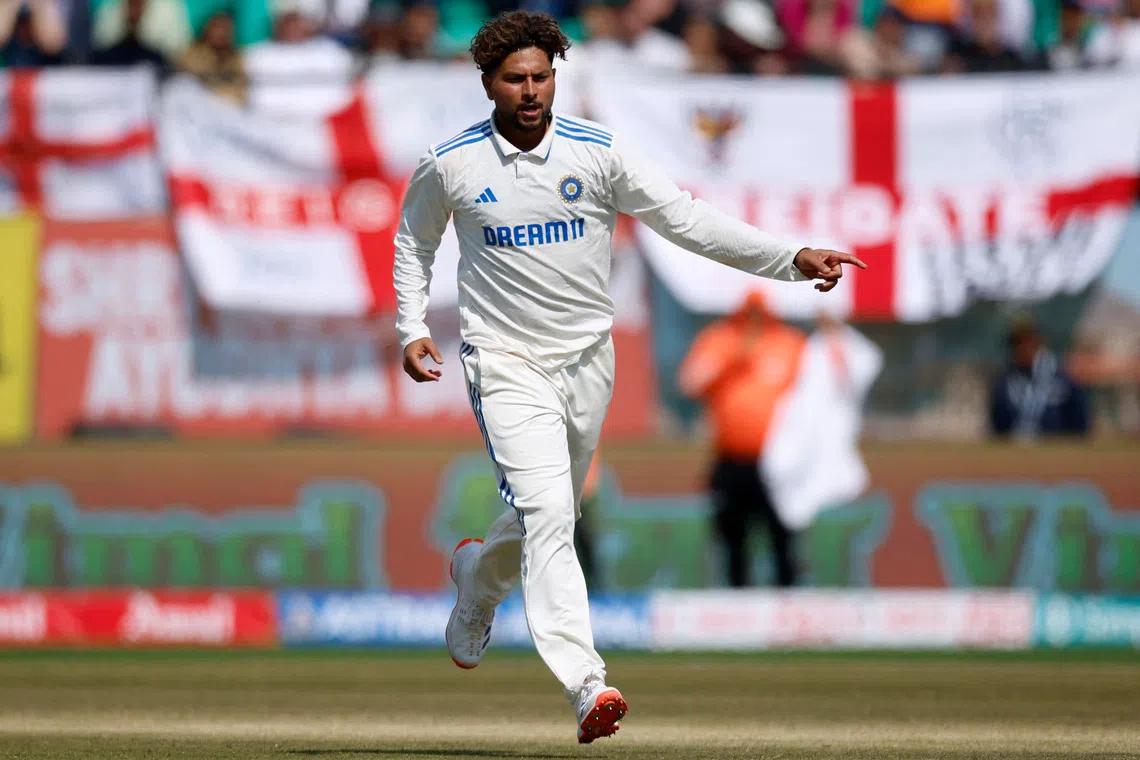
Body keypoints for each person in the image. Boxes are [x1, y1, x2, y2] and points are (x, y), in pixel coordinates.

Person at [392, 10, 864, 744]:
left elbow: (686, 218)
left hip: (587, 360)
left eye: (541, 76)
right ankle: (587, 684)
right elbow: (413, 242)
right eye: (514, 79)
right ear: (487, 82)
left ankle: (475, 586)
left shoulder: (597, 152)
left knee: (547, 514)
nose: (530, 91)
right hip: (504, 362)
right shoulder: (451, 162)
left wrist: (789, 257)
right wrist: (413, 328)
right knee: (550, 513)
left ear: (556, 76)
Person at [678, 290, 807, 587]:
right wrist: (732, 357)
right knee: (733, 538)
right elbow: (690, 382)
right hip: (732, 460)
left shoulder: (790, 343)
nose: (754, 320)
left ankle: (787, 608)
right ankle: (738, 607)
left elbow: (814, 394)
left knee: (783, 536)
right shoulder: (720, 339)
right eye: (748, 312)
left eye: (759, 312)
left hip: (779, 462)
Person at [989, 317, 1091, 440]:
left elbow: (1081, 423)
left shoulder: (1064, 379)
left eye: (1029, 343)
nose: (1023, 349)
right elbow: (998, 427)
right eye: (1017, 344)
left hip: (1058, 450)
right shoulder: (1003, 384)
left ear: (1039, 343)